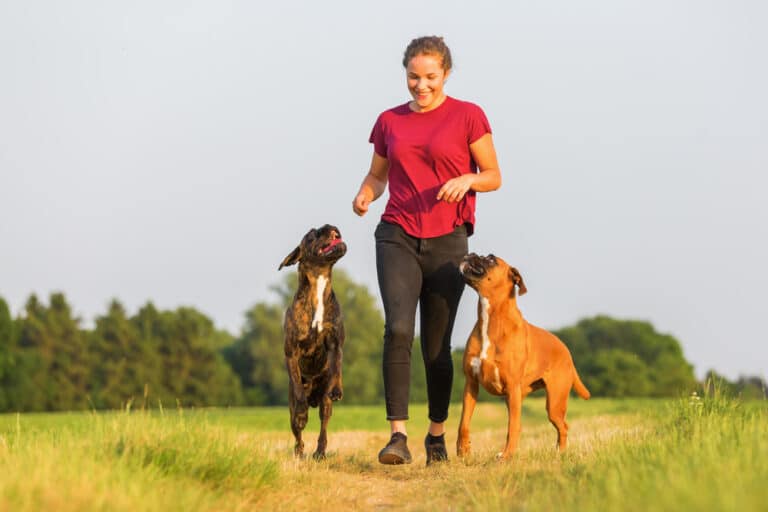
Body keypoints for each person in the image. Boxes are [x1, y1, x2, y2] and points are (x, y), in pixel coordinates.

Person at [352, 35, 502, 465]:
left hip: (448, 239)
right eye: (413, 77)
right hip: (397, 233)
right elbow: (378, 176)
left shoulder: (468, 116)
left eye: (430, 77)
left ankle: (436, 434)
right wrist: (365, 195)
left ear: (446, 74)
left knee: (436, 347)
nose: (421, 86)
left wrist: (468, 181)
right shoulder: (389, 121)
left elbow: (493, 174)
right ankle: (397, 435)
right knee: (399, 329)